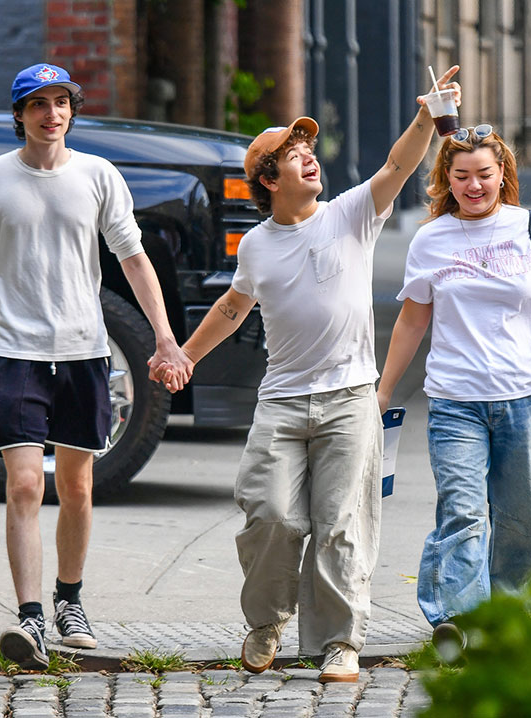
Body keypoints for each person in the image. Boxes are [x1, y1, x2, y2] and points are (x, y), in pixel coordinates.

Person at [156, 68, 461, 682]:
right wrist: (183, 354)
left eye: (309, 152)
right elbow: (232, 307)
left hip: (349, 397)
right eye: (294, 157)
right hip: (282, 403)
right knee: (271, 513)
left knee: (341, 522)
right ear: (268, 179)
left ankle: (339, 642)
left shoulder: (350, 214)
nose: (309, 161)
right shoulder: (256, 247)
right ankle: (266, 621)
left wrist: (427, 117)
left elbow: (399, 166)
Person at [0, 63, 191, 668]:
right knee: (26, 483)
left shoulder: (98, 175)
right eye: (38, 104)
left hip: (84, 351)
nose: (50, 114)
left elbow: (134, 259)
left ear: (71, 110)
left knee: (79, 487)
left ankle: (70, 600)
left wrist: (165, 339)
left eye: (60, 102)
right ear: (19, 115)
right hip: (14, 354)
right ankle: (30, 617)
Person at [375, 124, 531, 654]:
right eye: (462, 176)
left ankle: (510, 615)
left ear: (503, 173)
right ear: (446, 180)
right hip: (455, 401)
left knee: (523, 517)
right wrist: (385, 390)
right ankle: (455, 618)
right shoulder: (430, 239)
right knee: (463, 509)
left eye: (484, 174)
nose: (474, 185)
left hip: (525, 398)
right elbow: (412, 321)